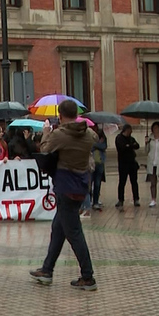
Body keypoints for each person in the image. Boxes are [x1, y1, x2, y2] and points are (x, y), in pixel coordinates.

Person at [29, 100, 96, 291]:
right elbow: (94, 137)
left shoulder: (60, 135)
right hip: (81, 185)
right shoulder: (88, 134)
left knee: (74, 233)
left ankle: (88, 276)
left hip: (65, 186)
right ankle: (47, 269)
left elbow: (44, 150)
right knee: (58, 228)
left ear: (60, 114)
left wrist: (47, 132)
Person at [114, 124, 140, 208]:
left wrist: (129, 146)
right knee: (122, 182)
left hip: (132, 163)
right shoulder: (119, 138)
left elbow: (137, 146)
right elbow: (121, 148)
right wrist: (129, 146)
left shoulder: (131, 138)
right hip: (123, 163)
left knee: (134, 182)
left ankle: (136, 199)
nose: (131, 132)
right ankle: (120, 199)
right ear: (126, 130)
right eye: (130, 130)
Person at [90, 128, 107, 211]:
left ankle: (95, 201)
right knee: (89, 184)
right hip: (91, 164)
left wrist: (95, 145)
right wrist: (97, 144)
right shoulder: (89, 138)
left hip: (100, 163)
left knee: (97, 183)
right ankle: (89, 201)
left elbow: (103, 146)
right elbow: (90, 148)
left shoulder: (103, 139)